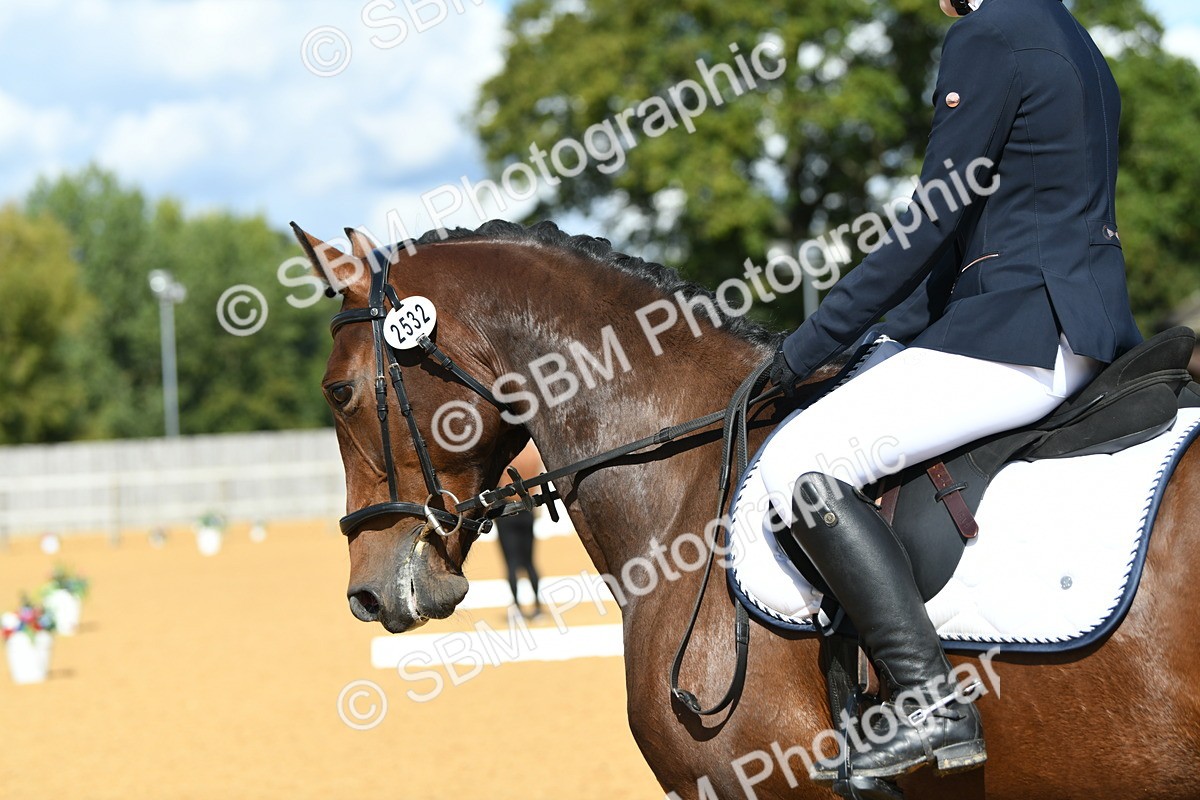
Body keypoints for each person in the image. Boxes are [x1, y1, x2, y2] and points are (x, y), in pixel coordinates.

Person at [761, 0, 1142, 782]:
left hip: (1019, 334)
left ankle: (930, 701)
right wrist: (876, 338)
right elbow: (975, 234)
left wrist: (807, 346)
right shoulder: (1073, 38)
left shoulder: (987, 33)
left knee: (799, 464)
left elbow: (930, 221)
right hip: (1085, 326)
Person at [496, 442, 545, 619]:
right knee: (529, 562)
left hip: (507, 511)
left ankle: (517, 607)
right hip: (527, 509)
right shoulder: (532, 452)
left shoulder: (506, 453)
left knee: (511, 563)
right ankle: (537, 607)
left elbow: (498, 483)